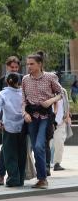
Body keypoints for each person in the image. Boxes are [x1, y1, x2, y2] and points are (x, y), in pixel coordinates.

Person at [21, 52, 65, 189]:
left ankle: (42, 178)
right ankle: (42, 178)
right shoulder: (25, 80)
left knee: (39, 146)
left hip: (46, 117)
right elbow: (23, 100)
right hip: (32, 117)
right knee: (35, 147)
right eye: (28, 64)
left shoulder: (50, 77)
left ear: (40, 64)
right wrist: (24, 113)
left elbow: (61, 93)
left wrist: (51, 100)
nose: (29, 66)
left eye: (32, 64)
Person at [0, 72, 27, 188]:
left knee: (9, 154)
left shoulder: (3, 94)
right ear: (19, 82)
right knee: (22, 154)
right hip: (23, 127)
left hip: (8, 127)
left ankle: (13, 178)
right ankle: (21, 178)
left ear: (7, 81)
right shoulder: (23, 93)